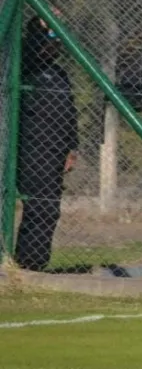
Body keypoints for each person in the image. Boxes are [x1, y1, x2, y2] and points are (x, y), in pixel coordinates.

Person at [14, 14, 78, 272]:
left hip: (55, 152)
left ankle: (35, 263)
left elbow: (69, 112)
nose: (56, 42)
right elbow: (32, 49)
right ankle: (27, 264)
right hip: (31, 149)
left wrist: (72, 147)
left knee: (49, 209)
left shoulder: (58, 72)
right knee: (39, 206)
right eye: (52, 35)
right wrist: (42, 24)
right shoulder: (27, 66)